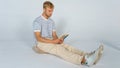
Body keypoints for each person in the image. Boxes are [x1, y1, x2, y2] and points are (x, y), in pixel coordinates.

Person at [33, 1, 103, 66]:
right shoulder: (37, 21)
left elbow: (54, 35)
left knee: (67, 46)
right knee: (59, 49)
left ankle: (88, 55)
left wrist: (58, 40)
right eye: (49, 11)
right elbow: (38, 38)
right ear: (44, 9)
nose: (51, 13)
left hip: (51, 41)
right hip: (41, 43)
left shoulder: (51, 22)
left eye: (52, 11)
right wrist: (53, 42)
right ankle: (84, 60)